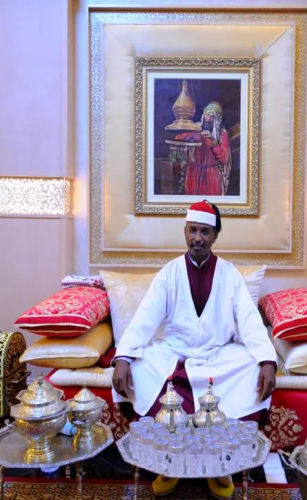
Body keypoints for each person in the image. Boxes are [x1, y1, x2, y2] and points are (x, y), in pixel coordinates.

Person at [112, 199, 277, 499]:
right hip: (173, 354)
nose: (197, 238)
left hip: (217, 356)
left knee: (250, 365)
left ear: (215, 236)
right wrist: (123, 357)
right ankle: (169, 464)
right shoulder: (170, 272)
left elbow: (250, 321)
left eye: (204, 232)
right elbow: (145, 318)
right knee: (138, 363)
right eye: (192, 230)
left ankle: (220, 466)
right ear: (185, 231)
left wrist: (267, 361)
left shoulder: (229, 274)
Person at [177, 102, 231, 196]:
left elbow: (224, 158)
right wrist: (193, 136)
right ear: (203, 115)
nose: (208, 119)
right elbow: (178, 138)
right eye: (207, 115)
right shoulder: (196, 128)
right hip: (194, 173)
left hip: (212, 175)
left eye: (212, 117)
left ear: (217, 120)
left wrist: (211, 140)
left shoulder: (222, 134)